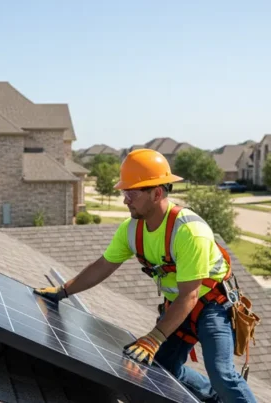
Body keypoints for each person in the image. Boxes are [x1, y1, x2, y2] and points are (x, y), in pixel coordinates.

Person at [33, 149, 257, 403]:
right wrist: (63, 291)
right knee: (163, 369)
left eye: (131, 193)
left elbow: (190, 295)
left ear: (157, 193)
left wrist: (154, 339)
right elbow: (103, 266)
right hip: (178, 305)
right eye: (124, 192)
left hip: (212, 305)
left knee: (222, 373)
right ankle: (213, 397)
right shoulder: (132, 230)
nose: (125, 199)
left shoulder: (189, 232)